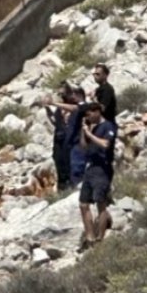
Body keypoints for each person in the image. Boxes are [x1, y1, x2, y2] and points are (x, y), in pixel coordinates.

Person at [79, 102, 116, 250]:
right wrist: (84, 131)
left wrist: (90, 134)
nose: (88, 118)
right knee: (83, 204)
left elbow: (106, 144)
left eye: (89, 115)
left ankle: (100, 238)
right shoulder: (92, 128)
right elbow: (83, 146)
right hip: (90, 168)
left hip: (102, 169)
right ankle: (90, 237)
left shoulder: (108, 126)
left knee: (100, 203)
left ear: (97, 112)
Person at [45, 84, 73, 190]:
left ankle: (71, 185)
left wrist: (53, 103)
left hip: (68, 139)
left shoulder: (71, 105)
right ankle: (62, 188)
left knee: (68, 162)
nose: (61, 95)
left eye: (63, 93)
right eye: (59, 94)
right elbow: (55, 122)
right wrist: (47, 109)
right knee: (58, 161)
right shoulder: (59, 109)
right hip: (58, 139)